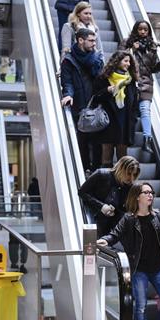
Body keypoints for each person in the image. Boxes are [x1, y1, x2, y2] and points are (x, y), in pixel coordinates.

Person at [97, 182, 160, 320]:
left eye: (151, 192)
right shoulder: (129, 219)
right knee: (140, 306)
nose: (150, 195)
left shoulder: (158, 216)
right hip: (139, 269)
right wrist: (106, 240)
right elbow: (115, 233)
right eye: (146, 192)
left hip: (159, 268)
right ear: (137, 196)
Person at [60, 28, 104, 174]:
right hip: (79, 104)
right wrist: (68, 95)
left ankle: (96, 169)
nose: (94, 43)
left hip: (96, 103)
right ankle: (84, 169)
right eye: (91, 40)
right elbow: (67, 82)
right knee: (83, 139)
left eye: (94, 40)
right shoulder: (68, 60)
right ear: (80, 40)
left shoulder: (97, 57)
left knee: (97, 140)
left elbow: (102, 78)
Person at [123, 20, 160, 154]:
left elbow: (152, 68)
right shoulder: (128, 43)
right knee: (130, 111)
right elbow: (119, 58)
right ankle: (128, 138)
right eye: (140, 29)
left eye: (145, 30)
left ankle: (147, 140)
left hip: (147, 82)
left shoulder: (152, 47)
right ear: (135, 30)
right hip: (130, 81)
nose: (143, 32)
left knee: (145, 109)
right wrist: (132, 50)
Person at [91, 50, 138, 167]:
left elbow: (134, 105)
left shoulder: (130, 81)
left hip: (124, 124)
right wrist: (107, 90)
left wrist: (132, 121)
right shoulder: (103, 78)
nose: (128, 64)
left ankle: (122, 184)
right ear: (117, 62)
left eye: (129, 62)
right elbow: (95, 98)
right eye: (125, 61)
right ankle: (106, 184)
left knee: (123, 162)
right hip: (108, 123)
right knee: (106, 159)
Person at [79, 156, 140, 237]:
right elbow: (82, 192)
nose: (131, 178)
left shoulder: (130, 187)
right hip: (93, 215)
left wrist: (115, 211)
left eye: (134, 174)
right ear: (120, 169)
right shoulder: (101, 174)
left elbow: (126, 209)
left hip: (112, 223)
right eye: (129, 173)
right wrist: (102, 206)